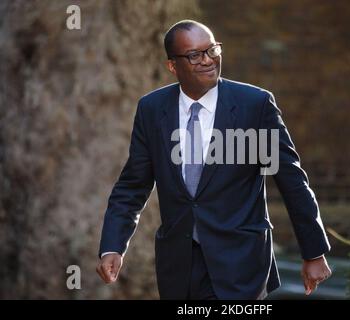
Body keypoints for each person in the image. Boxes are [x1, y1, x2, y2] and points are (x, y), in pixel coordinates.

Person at [97, 20, 331, 300]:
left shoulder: (254, 106)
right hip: (179, 266)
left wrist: (313, 251)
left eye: (212, 50)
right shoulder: (152, 109)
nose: (208, 60)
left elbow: (291, 180)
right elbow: (133, 185)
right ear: (173, 66)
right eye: (195, 55)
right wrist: (113, 245)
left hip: (241, 264)